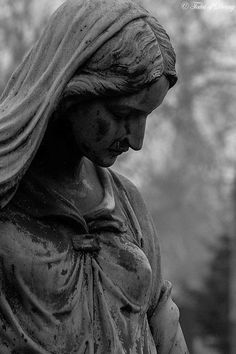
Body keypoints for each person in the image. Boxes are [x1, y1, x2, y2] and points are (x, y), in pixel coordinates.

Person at [0, 0, 189, 353]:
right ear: (73, 91)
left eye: (146, 117)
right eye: (122, 114)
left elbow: (163, 322)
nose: (137, 141)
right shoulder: (8, 194)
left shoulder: (127, 202)